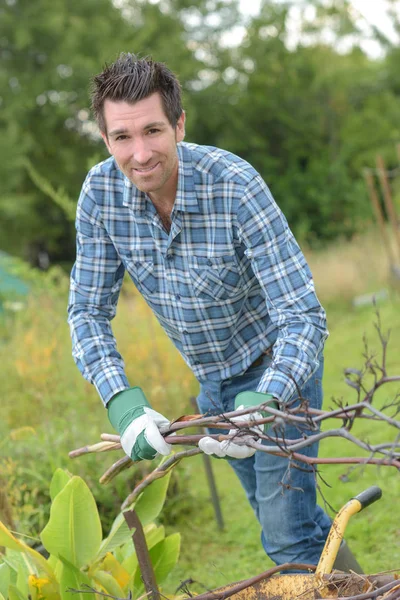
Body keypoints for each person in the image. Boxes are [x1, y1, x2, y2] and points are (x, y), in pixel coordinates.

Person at [68, 52, 361, 572]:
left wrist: (264, 401)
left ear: (180, 124)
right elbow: (87, 313)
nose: (140, 153)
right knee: (300, 525)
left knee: (288, 540)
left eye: (153, 131)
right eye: (122, 138)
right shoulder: (100, 196)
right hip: (212, 386)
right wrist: (123, 403)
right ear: (105, 139)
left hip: (279, 375)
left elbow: (303, 316)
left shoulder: (234, 185)